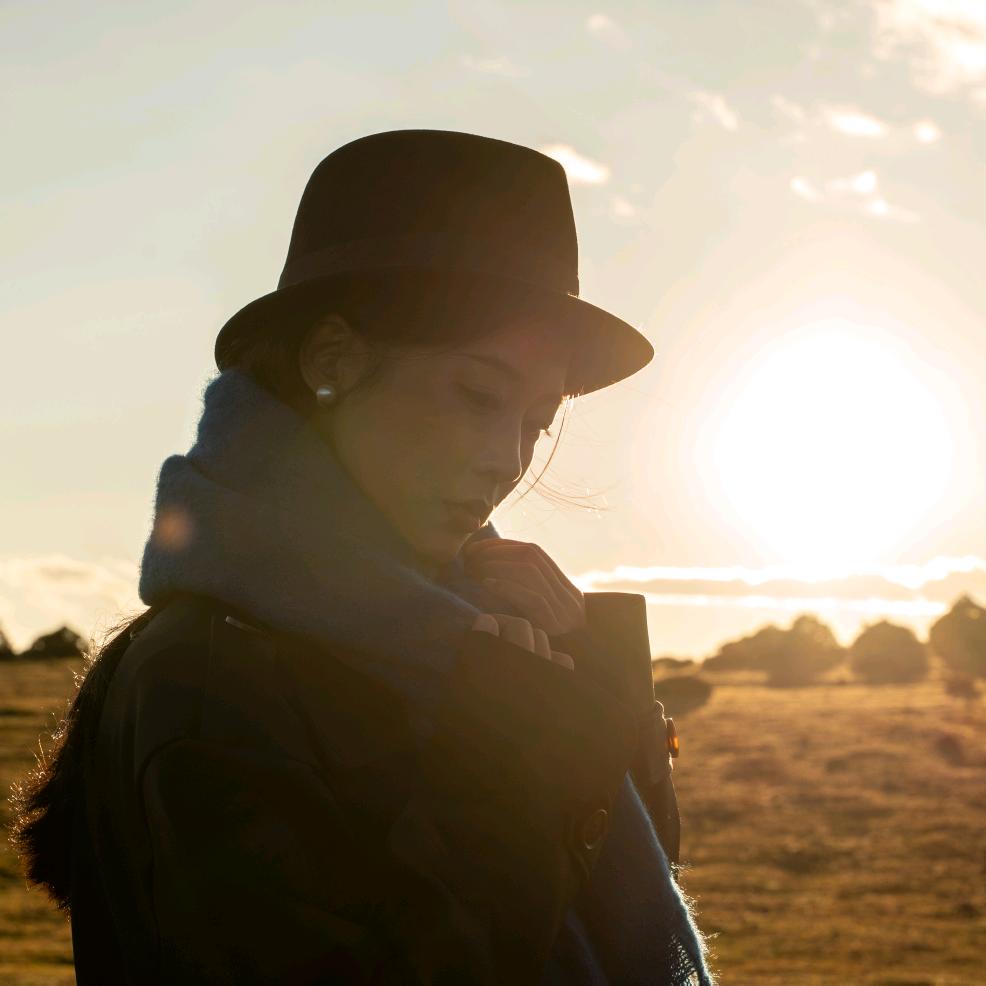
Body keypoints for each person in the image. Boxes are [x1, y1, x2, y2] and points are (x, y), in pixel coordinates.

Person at [12, 129, 713, 985]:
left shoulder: (481, 631)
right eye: (478, 395)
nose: (509, 456)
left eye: (539, 418)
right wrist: (509, 773)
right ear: (331, 360)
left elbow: (625, 898)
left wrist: (599, 687)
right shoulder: (208, 677)